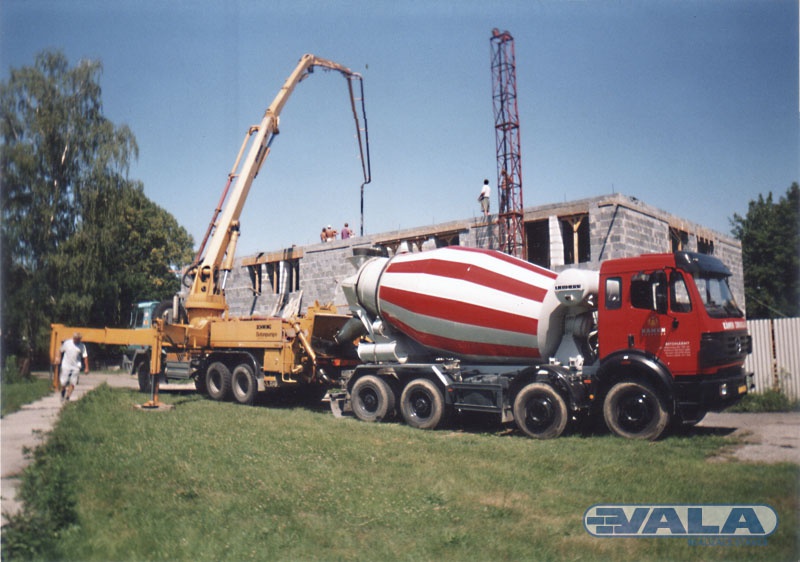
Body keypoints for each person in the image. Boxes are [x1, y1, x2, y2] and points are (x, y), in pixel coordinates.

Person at [60, 332, 88, 402]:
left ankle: (68, 397)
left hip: (76, 366)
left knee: (73, 382)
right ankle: (63, 392)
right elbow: (60, 351)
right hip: (66, 364)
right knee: (64, 382)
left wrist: (86, 367)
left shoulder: (82, 346)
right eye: (76, 338)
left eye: (79, 339)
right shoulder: (67, 343)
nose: (77, 340)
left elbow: (85, 357)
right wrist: (58, 358)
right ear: (73, 338)